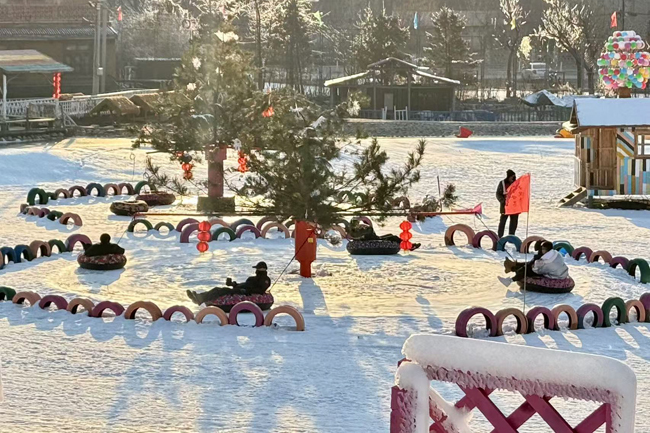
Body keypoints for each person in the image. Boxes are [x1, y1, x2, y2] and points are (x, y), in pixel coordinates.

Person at [186, 261, 271, 305]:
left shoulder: (265, 280)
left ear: (261, 270)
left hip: (245, 293)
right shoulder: (252, 278)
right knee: (218, 289)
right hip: (240, 290)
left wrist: (245, 291)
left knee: (220, 291)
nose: (256, 271)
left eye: (257, 269)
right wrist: (233, 284)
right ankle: (199, 297)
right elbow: (245, 284)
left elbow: (260, 290)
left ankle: (200, 299)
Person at [499, 241, 569, 287]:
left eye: (543, 249)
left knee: (527, 269)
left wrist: (535, 261)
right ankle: (513, 265)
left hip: (555, 276)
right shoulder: (556, 253)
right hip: (562, 272)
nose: (541, 250)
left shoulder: (547, 262)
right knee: (530, 264)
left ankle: (510, 279)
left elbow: (536, 270)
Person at [350, 221, 421, 251]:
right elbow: (359, 237)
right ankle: (409, 246)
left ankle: (409, 245)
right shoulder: (362, 231)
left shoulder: (360, 230)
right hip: (374, 240)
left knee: (390, 235)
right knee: (393, 238)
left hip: (375, 237)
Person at [496, 169, 519, 238]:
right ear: (508, 177)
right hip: (505, 207)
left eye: (514, 177)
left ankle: (511, 236)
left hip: (514, 207)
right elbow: (498, 194)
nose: (513, 178)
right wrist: (503, 201)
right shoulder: (502, 183)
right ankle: (499, 236)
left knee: (514, 222)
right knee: (502, 222)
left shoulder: (517, 184)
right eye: (512, 177)